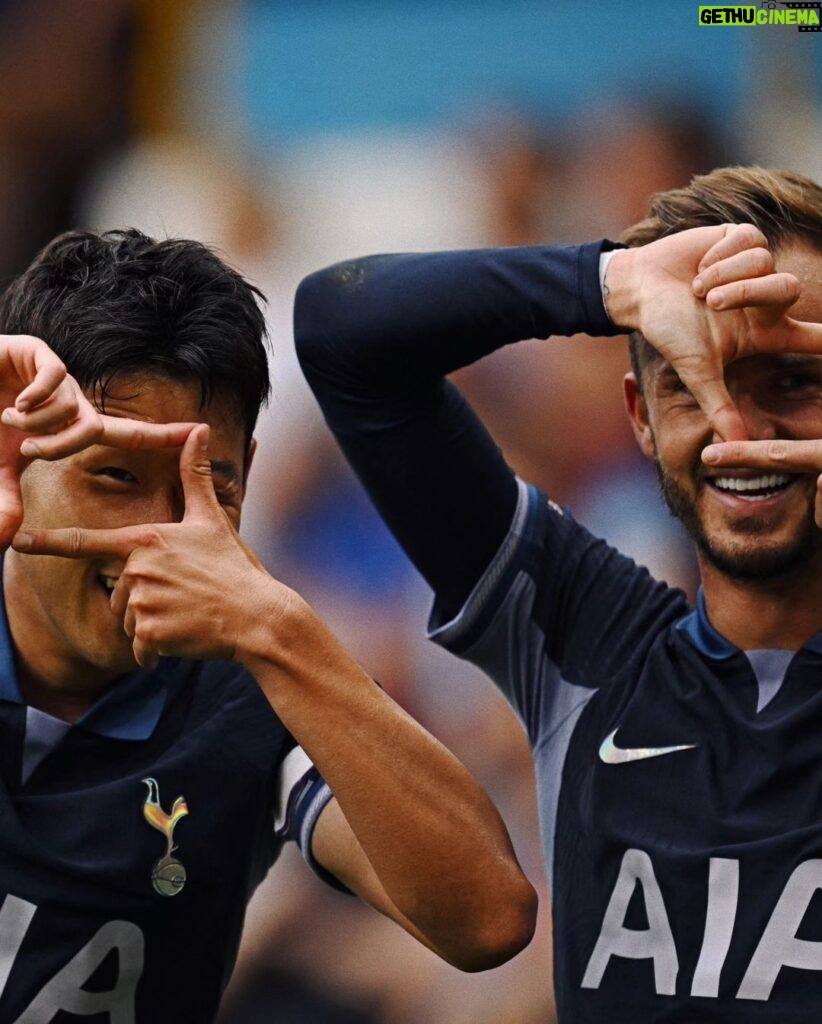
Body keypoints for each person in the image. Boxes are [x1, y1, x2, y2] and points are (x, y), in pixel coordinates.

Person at [294, 166, 822, 1022]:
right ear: (640, 416)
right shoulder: (587, 635)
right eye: (692, 382)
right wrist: (602, 281)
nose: (740, 430)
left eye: (793, 383)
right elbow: (341, 329)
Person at [0, 228, 537, 1022]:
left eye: (208, 487)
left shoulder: (253, 693)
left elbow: (486, 918)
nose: (163, 535)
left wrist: (283, 631)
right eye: (114, 476)